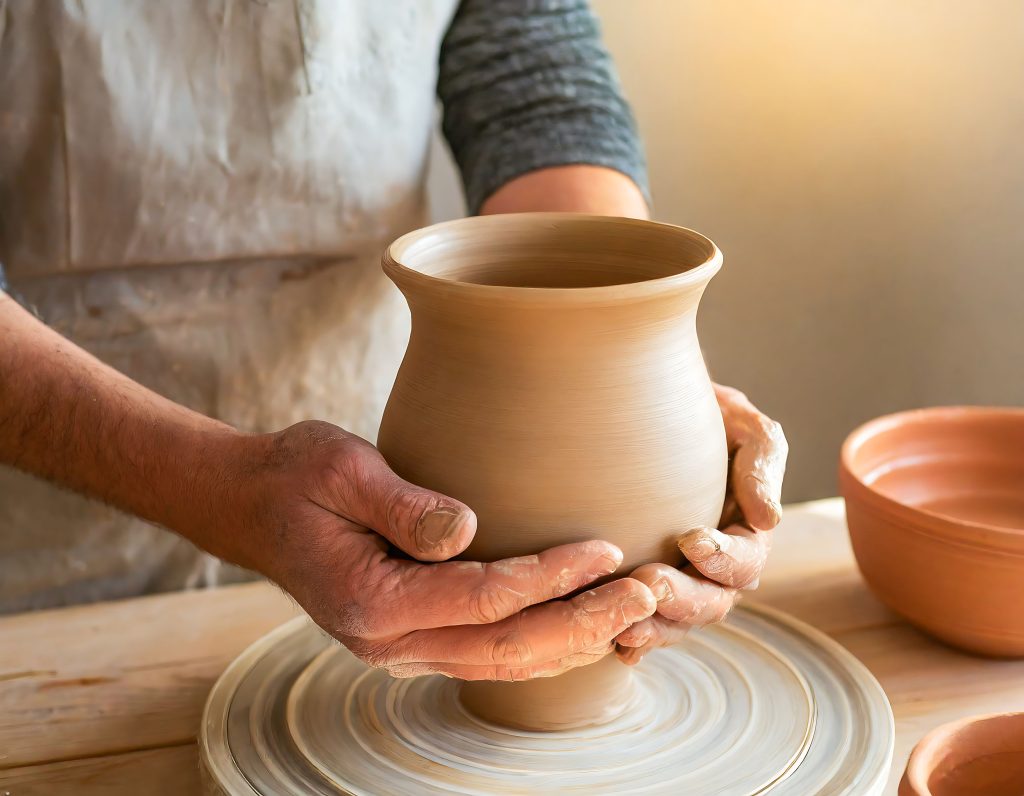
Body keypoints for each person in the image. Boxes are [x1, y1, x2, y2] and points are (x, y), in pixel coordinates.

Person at [0, 0, 787, 680]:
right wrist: (222, 488)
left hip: (384, 512)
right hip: (53, 531)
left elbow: (531, 87)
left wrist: (630, 361)